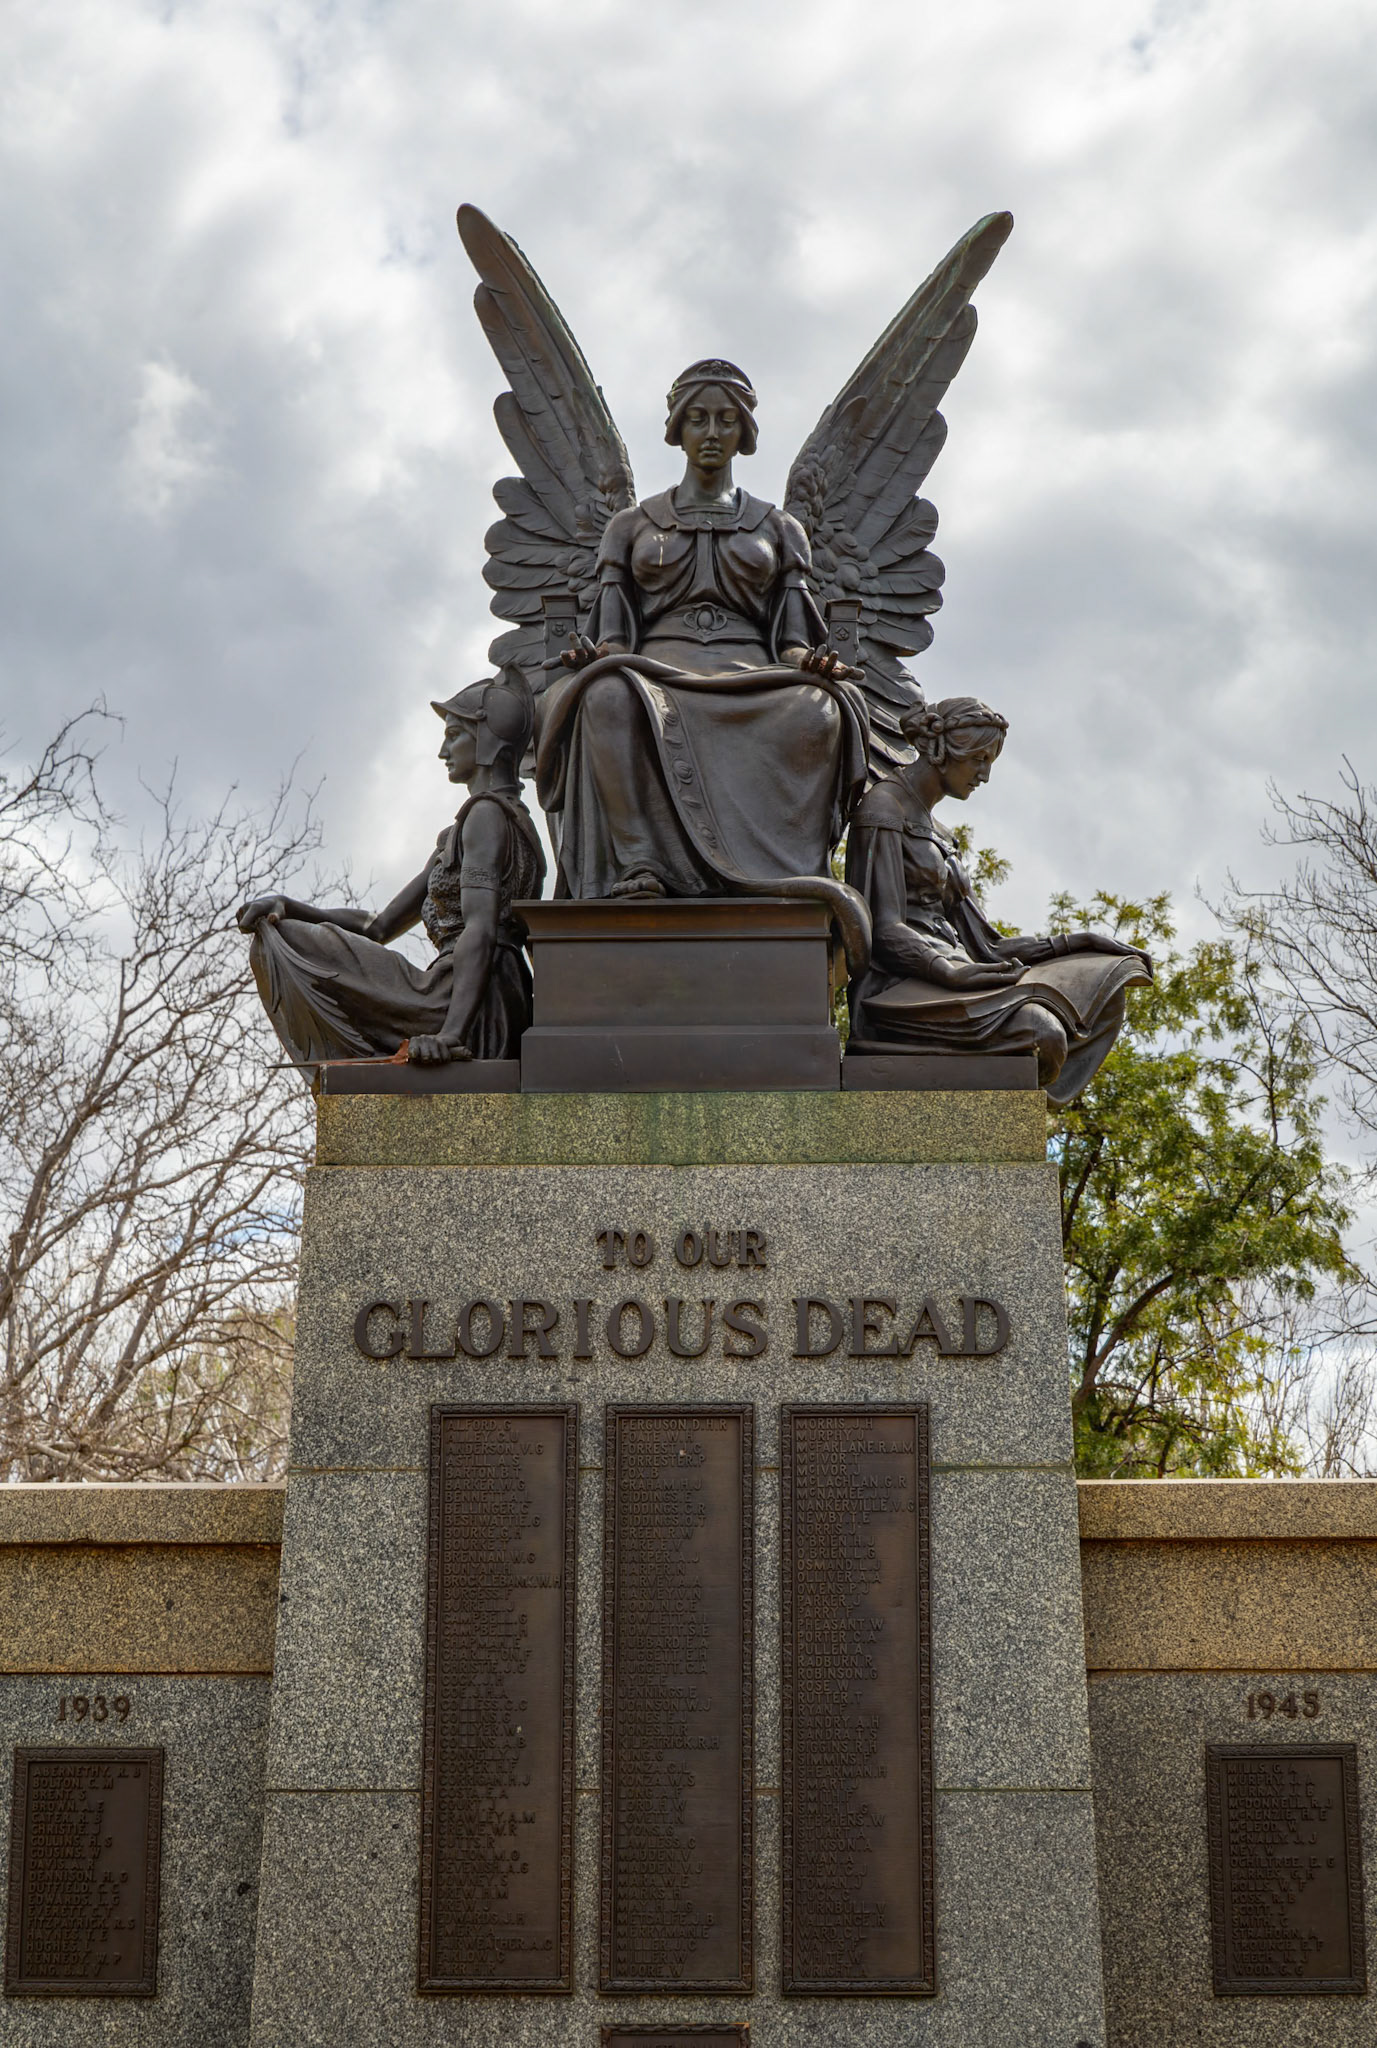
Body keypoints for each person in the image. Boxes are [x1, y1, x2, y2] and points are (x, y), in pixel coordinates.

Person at [535, 359, 871, 910]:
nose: (712, 433)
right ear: (677, 429)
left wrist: (809, 663)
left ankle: (786, 874)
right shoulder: (630, 526)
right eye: (698, 419)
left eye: (725, 420)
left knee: (821, 710)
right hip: (655, 670)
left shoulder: (780, 527)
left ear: (744, 432)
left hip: (753, 674)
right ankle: (639, 860)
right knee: (603, 696)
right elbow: (616, 638)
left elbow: (791, 640)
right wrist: (595, 654)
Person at [844, 696, 1151, 1102]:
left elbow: (987, 946)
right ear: (942, 750)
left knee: (1104, 998)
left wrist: (1077, 944)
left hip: (959, 975)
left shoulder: (941, 833)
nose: (985, 775)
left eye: (989, 762)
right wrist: (947, 972)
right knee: (1043, 1034)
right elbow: (882, 930)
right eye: (979, 759)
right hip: (901, 987)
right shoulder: (884, 807)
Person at [237, 675, 545, 1065]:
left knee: (299, 946)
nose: (442, 751)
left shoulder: (486, 816)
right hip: (473, 989)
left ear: (486, 740)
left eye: (454, 735)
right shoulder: (482, 824)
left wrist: (450, 1035)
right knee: (293, 936)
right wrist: (289, 906)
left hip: (471, 999)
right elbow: (377, 927)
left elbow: (480, 928)